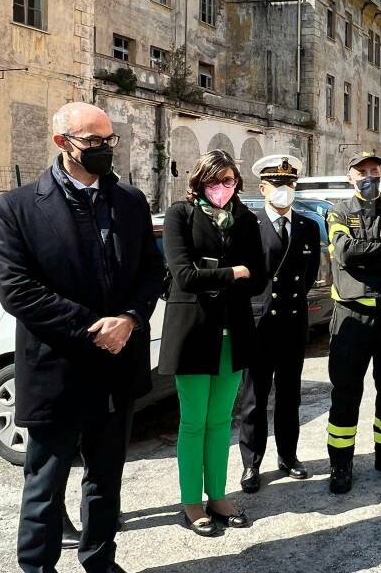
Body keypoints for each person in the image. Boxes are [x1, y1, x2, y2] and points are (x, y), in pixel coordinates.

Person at [0, 102, 164, 573]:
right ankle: (37, 568)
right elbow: (18, 291)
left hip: (118, 366)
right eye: (94, 142)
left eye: (110, 141)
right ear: (62, 143)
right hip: (58, 369)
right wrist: (94, 329)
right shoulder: (18, 207)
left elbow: (152, 271)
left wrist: (128, 318)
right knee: (45, 484)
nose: (105, 149)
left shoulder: (129, 201)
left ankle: (100, 561)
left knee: (106, 479)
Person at [159, 150, 267, 536]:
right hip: (193, 332)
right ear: (199, 182)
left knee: (221, 420)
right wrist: (231, 271)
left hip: (233, 333)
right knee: (194, 421)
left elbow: (257, 277)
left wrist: (213, 270)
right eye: (214, 181)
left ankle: (217, 496)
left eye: (229, 181)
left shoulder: (246, 219)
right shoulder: (179, 215)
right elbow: (184, 275)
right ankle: (190, 503)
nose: (222, 188)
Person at [324, 151, 381, 494]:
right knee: (346, 389)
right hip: (352, 314)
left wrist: (369, 253)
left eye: (374, 170)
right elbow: (344, 252)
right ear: (350, 176)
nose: (368, 175)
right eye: (361, 171)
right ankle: (341, 462)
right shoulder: (338, 212)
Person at [238, 155, 320, 493]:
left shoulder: (308, 226)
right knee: (254, 398)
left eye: (289, 184)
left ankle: (288, 456)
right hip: (258, 323)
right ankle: (251, 463)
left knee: (290, 395)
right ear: (263, 188)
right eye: (277, 184)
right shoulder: (248, 224)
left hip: (292, 321)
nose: (284, 190)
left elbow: (310, 273)